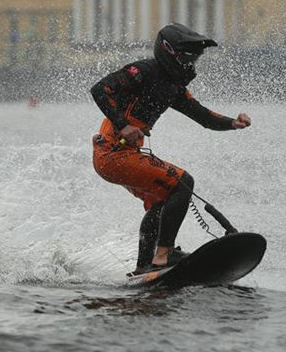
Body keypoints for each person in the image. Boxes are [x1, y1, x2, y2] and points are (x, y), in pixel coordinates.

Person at [90, 23, 251, 275]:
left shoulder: (174, 87)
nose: (191, 64)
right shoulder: (142, 71)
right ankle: (163, 255)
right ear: (169, 53)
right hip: (112, 153)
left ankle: (145, 265)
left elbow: (204, 117)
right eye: (188, 57)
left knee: (162, 198)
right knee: (182, 182)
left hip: (123, 155)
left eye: (195, 59)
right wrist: (122, 125)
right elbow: (100, 89)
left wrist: (233, 123)